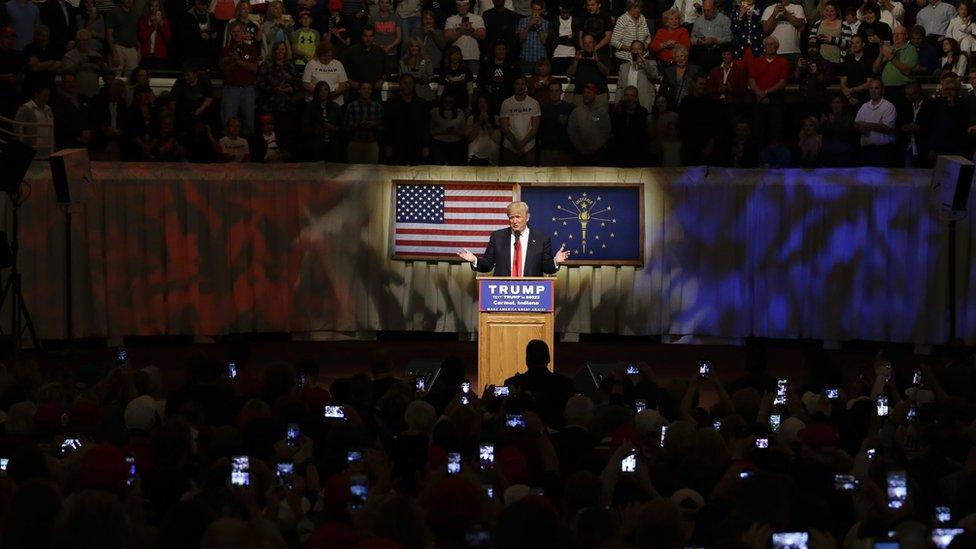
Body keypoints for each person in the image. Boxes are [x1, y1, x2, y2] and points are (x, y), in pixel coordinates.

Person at [456, 201, 570, 276]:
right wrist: (474, 260)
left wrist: (556, 261)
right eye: (511, 217)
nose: (514, 221)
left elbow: (547, 268)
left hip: (532, 295)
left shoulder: (542, 239)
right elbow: (488, 265)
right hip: (503, 295)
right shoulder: (497, 237)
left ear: (527, 217)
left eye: (518, 217)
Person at [503, 340, 576, 429]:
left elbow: (506, 417)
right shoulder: (565, 383)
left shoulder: (513, 383)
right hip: (555, 439)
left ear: (527, 360)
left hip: (520, 437)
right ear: (549, 359)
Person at [219, 20, 259, 136]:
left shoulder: (250, 48)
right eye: (234, 32)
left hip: (248, 90)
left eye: (239, 31)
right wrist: (233, 61)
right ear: (231, 33)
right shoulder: (226, 50)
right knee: (228, 122)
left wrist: (239, 62)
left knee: (249, 122)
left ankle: (248, 149)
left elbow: (255, 68)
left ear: (243, 32)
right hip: (231, 89)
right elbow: (224, 71)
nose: (237, 34)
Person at [747, 35, 789, 140]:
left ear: (777, 46)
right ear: (763, 47)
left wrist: (765, 93)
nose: (769, 47)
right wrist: (759, 93)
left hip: (776, 99)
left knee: (775, 131)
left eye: (772, 44)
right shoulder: (756, 62)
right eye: (767, 44)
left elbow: (782, 82)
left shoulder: (783, 62)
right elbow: (751, 80)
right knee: (758, 130)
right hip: (758, 98)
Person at [257, 40, 301, 139]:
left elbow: (297, 81)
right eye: (278, 49)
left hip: (287, 106)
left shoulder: (291, 65)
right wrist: (274, 89)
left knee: (286, 134)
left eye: (282, 49)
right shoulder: (267, 64)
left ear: (286, 51)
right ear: (274, 50)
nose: (280, 51)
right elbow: (260, 82)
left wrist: (291, 88)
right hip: (270, 105)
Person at [383, 73, 431, 164]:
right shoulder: (391, 103)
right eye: (405, 83)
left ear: (413, 85)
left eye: (410, 83)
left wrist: (426, 145)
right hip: (397, 144)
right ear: (400, 85)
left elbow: (425, 126)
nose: (407, 86)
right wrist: (388, 145)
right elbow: (388, 125)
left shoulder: (422, 104)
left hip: (416, 145)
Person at [498, 76, 541, 165]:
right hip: (510, 147)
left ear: (526, 86)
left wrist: (522, 144)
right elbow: (505, 128)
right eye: (517, 84)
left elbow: (535, 128)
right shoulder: (506, 103)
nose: (520, 86)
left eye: (522, 84)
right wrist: (516, 144)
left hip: (528, 147)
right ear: (514, 85)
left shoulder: (534, 103)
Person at [854, 78, 897, 166]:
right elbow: (856, 124)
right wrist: (860, 128)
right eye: (871, 88)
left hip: (883, 151)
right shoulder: (864, 106)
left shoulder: (888, 106)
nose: (873, 91)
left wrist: (866, 124)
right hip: (866, 150)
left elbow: (887, 127)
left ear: (882, 90)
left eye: (876, 88)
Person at [567, 82, 611, 165]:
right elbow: (572, 132)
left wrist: (594, 148)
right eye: (584, 92)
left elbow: (605, 132)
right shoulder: (576, 112)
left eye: (589, 92)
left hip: (597, 155)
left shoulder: (602, 112)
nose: (586, 95)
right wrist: (580, 148)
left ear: (594, 94)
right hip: (580, 154)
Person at [872, 24, 917, 102]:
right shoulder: (888, 48)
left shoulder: (911, 49)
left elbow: (907, 71)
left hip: (902, 89)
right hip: (886, 89)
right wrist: (881, 53)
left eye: (899, 34)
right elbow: (875, 69)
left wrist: (891, 57)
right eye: (894, 34)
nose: (896, 36)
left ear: (906, 36)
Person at [343, 81, 384, 163]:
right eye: (364, 88)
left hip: (372, 143)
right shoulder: (352, 106)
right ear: (359, 91)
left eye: (369, 89)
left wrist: (374, 125)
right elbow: (346, 127)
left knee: (371, 172)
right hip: (355, 143)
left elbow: (383, 126)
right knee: (353, 171)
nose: (367, 91)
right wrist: (358, 125)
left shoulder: (377, 106)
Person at [301, 81, 342, 161]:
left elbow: (342, 126)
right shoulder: (310, 106)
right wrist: (318, 130)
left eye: (326, 90)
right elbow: (305, 126)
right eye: (320, 90)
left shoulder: (335, 107)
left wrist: (334, 128)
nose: (323, 92)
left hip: (333, 145)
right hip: (316, 145)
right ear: (317, 92)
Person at [611, 85, 651, 167]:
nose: (629, 98)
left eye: (631, 95)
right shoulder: (617, 112)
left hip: (637, 152)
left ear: (636, 98)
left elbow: (643, 134)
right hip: (620, 152)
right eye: (626, 95)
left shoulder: (643, 112)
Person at [568, 33, 610, 110]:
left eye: (590, 42)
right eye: (585, 43)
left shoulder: (602, 57)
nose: (588, 45)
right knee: (580, 121)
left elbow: (607, 73)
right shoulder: (577, 58)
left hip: (599, 96)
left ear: (595, 43)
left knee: (600, 121)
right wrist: (576, 61)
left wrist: (598, 62)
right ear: (582, 45)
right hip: (580, 96)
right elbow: (570, 74)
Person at [537, 81, 574, 166]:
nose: (554, 93)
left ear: (561, 92)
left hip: (564, 151)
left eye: (557, 91)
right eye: (551, 91)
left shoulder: (569, 108)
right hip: (547, 151)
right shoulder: (542, 109)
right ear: (548, 92)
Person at [342, 25, 386, 97]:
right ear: (361, 36)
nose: (368, 39)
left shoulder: (380, 51)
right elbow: (342, 69)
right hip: (356, 92)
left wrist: (382, 81)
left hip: (374, 91)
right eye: (365, 36)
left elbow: (386, 70)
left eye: (371, 36)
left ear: (374, 37)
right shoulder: (351, 51)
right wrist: (351, 82)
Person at [62, 29, 107, 99]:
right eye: (82, 40)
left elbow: (106, 73)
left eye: (87, 40)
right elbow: (66, 73)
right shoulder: (69, 55)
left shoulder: (96, 55)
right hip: (77, 96)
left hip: (94, 95)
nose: (85, 43)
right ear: (77, 41)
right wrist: (79, 63)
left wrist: (102, 65)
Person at [444, 0, 485, 75]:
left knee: (474, 82)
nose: (462, 8)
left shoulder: (477, 18)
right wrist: (461, 30)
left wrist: (471, 30)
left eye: (464, 5)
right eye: (460, 6)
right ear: (456, 6)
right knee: (456, 82)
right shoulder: (450, 20)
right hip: (455, 58)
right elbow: (447, 37)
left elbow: (482, 36)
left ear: (469, 5)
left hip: (473, 56)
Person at [896, 82, 933, 167]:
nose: (907, 97)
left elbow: (933, 126)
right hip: (908, 146)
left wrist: (919, 128)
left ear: (918, 93)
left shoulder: (930, 106)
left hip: (923, 147)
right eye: (907, 94)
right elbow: (900, 123)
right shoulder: (905, 105)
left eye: (910, 95)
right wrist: (905, 127)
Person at [616, 40, 659, 109]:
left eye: (638, 49)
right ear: (631, 51)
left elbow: (653, 75)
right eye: (633, 49)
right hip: (626, 103)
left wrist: (644, 62)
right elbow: (619, 88)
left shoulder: (651, 63)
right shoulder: (623, 67)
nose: (636, 51)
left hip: (644, 102)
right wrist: (617, 103)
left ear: (643, 51)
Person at [761, 0, 806, 66]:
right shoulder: (769, 9)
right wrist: (774, 15)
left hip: (793, 52)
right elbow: (766, 30)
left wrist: (787, 14)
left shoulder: (798, 7)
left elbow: (801, 27)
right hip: (775, 53)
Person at [690, 0, 731, 70]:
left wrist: (715, 40)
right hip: (701, 52)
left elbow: (729, 38)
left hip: (717, 52)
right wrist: (698, 41)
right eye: (704, 10)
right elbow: (692, 38)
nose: (706, 12)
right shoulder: (698, 21)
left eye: (708, 10)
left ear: (715, 8)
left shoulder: (724, 20)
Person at [516, 0, 549, 77]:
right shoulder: (522, 21)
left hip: (540, 60)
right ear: (531, 9)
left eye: (538, 10)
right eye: (534, 9)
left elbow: (544, 41)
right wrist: (528, 26)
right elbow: (521, 40)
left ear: (542, 10)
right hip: (526, 58)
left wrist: (539, 27)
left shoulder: (546, 23)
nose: (536, 12)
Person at [106, 0, 140, 75]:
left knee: (132, 77)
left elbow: (136, 33)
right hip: (118, 47)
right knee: (116, 75)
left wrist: (138, 51)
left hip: (132, 48)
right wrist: (114, 52)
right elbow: (109, 33)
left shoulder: (135, 14)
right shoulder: (114, 12)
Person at [613, 0, 653, 65]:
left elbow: (648, 37)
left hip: (642, 57)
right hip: (625, 59)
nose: (638, 10)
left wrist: (646, 44)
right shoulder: (622, 20)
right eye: (635, 8)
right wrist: (631, 49)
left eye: (639, 8)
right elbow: (614, 42)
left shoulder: (642, 18)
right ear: (629, 8)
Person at [820, 94, 855, 166]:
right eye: (833, 103)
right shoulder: (826, 116)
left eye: (838, 102)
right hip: (828, 150)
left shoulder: (848, 117)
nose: (835, 105)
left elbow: (845, 131)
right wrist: (823, 123)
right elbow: (823, 131)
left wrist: (833, 123)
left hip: (843, 149)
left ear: (842, 104)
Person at [15, 85, 54, 149]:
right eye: (44, 95)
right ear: (36, 94)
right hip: (33, 149)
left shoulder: (48, 109)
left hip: (48, 148)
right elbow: (17, 128)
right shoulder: (26, 109)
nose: (47, 98)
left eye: (48, 96)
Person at [466, 94, 501, 164]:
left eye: (485, 102)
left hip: (491, 156)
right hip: (474, 155)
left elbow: (497, 138)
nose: (483, 105)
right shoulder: (471, 118)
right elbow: (470, 138)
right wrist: (479, 122)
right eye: (480, 102)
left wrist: (487, 121)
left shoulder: (496, 118)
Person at [136, 0, 171, 69]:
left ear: (160, 8)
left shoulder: (165, 21)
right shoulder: (143, 20)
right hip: (146, 55)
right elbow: (143, 37)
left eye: (156, 6)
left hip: (160, 56)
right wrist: (152, 25)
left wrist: (161, 24)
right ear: (149, 7)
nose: (154, 8)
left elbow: (167, 38)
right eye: (152, 6)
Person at [371, 0, 402, 77]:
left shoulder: (396, 17)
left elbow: (399, 37)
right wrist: (379, 47)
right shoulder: (373, 17)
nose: (384, 5)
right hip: (376, 53)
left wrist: (389, 47)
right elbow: (369, 35)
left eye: (386, 2)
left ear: (390, 4)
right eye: (382, 2)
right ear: (379, 4)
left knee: (390, 77)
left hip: (391, 53)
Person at [839, 34, 873, 105]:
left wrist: (852, 90)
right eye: (852, 43)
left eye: (857, 43)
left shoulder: (868, 61)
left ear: (863, 44)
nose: (854, 45)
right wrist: (849, 97)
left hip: (864, 98)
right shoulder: (847, 61)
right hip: (848, 98)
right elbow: (843, 83)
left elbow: (869, 83)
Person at [399, 37, 435, 101]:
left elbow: (431, 77)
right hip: (407, 94)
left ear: (420, 48)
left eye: (416, 46)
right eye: (412, 46)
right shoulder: (402, 61)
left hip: (424, 94)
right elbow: (400, 78)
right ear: (408, 48)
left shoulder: (426, 60)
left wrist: (422, 78)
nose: (414, 48)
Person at [438, 45, 473, 111]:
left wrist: (469, 106)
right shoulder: (444, 71)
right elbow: (440, 92)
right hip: (447, 105)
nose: (455, 57)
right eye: (452, 54)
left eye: (457, 54)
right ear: (449, 56)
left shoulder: (466, 70)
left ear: (460, 56)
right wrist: (440, 106)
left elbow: (470, 91)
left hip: (462, 104)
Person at [550, 2, 577, 76]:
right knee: (558, 79)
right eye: (563, 12)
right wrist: (568, 37)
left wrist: (561, 39)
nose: (565, 15)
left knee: (571, 79)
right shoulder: (554, 21)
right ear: (560, 10)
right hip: (557, 55)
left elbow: (576, 39)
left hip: (571, 55)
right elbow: (552, 40)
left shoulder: (576, 21)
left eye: (567, 13)